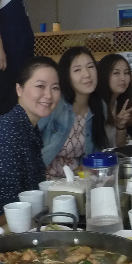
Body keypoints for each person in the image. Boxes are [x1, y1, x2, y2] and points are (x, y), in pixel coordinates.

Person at [0, 57, 60, 225]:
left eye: (55, 88)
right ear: (19, 89)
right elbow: (8, 207)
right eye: (40, 86)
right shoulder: (5, 133)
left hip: (23, 223)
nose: (48, 95)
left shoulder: (27, 126)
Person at [39, 47, 109, 178]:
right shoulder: (54, 103)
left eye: (90, 66)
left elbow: (95, 153)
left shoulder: (100, 106)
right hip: (44, 180)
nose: (87, 74)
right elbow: (29, 139)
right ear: (66, 76)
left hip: (77, 181)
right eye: (77, 70)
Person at [96, 53, 132, 147]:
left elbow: (120, 147)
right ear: (103, 75)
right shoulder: (96, 105)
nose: (123, 78)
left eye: (126, 73)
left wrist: (120, 126)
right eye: (116, 73)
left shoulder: (118, 103)